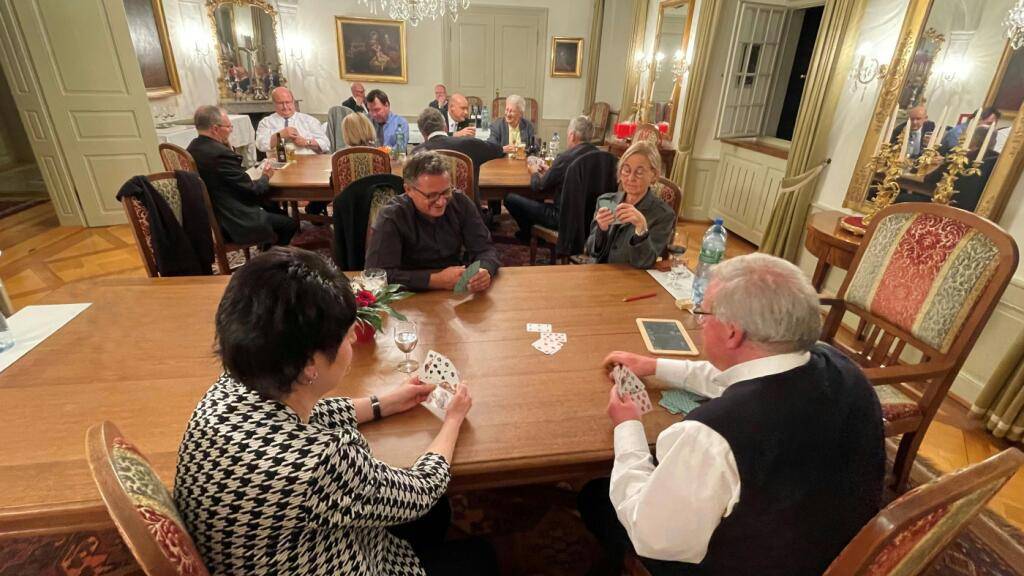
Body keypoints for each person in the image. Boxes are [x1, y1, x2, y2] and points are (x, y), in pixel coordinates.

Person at [174, 247, 496, 575]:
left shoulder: (229, 388)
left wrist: (382, 403)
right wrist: (453, 419)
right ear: (310, 365)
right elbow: (421, 489)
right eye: (347, 334)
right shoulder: (320, 463)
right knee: (479, 551)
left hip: (265, 548)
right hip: (334, 560)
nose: (355, 337)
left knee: (434, 516)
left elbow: (304, 415)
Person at [578, 254, 885, 576]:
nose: (700, 322)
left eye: (703, 314)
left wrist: (627, 427)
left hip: (747, 565)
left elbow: (649, 535)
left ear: (732, 333)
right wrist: (656, 366)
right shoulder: (838, 365)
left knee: (595, 497)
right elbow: (742, 375)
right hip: (834, 546)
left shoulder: (711, 435)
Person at [365, 151, 499, 292]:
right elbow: (377, 275)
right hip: (407, 298)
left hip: (456, 293)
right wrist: (434, 280)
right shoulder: (392, 216)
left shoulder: (460, 202)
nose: (441, 202)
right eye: (432, 195)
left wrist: (484, 270)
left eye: (446, 192)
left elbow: (486, 249)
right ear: (409, 190)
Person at [187, 105, 296, 246]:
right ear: (215, 129)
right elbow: (253, 191)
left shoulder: (191, 148)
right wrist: (266, 176)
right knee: (289, 224)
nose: (230, 131)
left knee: (275, 209)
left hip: (211, 215)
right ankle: (270, 261)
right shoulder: (220, 155)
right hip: (233, 218)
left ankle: (267, 248)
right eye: (228, 127)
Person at [505, 115, 598, 243]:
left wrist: (534, 172)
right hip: (592, 219)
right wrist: (551, 171)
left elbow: (538, 188)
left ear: (572, 136)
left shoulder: (566, 158)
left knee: (510, 198)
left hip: (562, 219)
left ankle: (529, 234)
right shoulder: (604, 158)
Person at [586, 141, 675, 268]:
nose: (631, 178)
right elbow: (591, 251)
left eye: (639, 172)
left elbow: (645, 262)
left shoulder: (663, 215)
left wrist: (641, 230)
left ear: (654, 175)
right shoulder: (606, 201)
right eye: (626, 170)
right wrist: (602, 230)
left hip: (632, 281)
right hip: (599, 276)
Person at [416, 107, 503, 201]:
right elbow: (497, 150)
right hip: (467, 212)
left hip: (429, 212)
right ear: (445, 127)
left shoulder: (417, 154)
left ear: (422, 133)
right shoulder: (470, 144)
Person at [255, 87, 330, 156]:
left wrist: (306, 142)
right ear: (274, 104)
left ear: (293, 101)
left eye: (288, 102)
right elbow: (260, 145)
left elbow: (326, 144)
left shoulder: (309, 120)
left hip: (307, 164)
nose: (285, 107)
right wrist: (279, 135)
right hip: (278, 163)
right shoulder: (266, 122)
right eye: (280, 103)